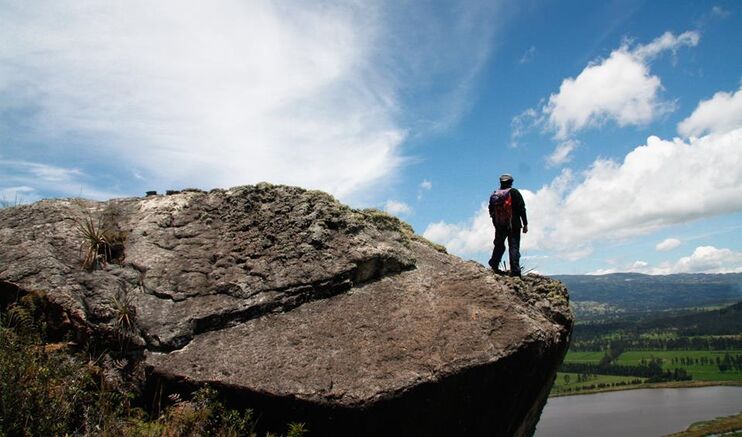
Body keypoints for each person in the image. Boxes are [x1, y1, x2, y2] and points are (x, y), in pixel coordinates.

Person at [488, 173, 528, 277]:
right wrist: (525, 224)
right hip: (514, 224)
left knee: (499, 245)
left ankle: (494, 265)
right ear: (511, 182)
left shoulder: (495, 194)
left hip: (500, 224)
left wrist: (496, 222)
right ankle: (515, 271)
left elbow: (491, 209)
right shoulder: (514, 192)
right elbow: (522, 208)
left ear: (501, 182)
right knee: (514, 246)